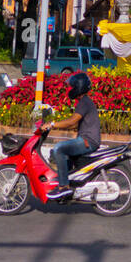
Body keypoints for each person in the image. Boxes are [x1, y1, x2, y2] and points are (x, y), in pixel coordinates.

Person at [46, 71, 101, 201]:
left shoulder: (84, 102)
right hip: (86, 139)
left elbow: (72, 121)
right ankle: (70, 183)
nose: (71, 89)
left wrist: (52, 124)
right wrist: (53, 127)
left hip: (88, 141)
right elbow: (72, 125)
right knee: (64, 152)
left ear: (79, 87)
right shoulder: (84, 102)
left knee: (59, 148)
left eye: (73, 86)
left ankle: (64, 187)